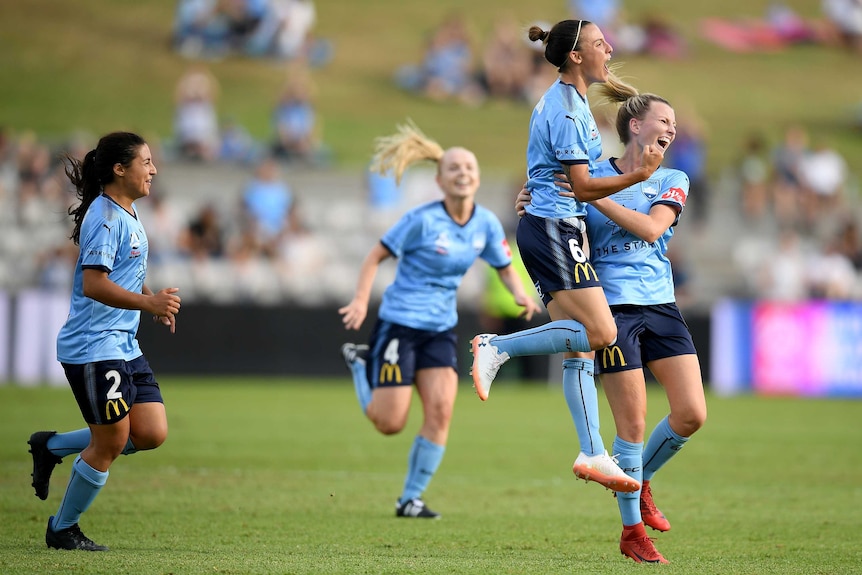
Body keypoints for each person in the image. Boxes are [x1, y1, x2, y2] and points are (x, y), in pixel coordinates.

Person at [470, 19, 663, 493]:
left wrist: (532, 190)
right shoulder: (566, 109)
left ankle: (592, 450)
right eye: (600, 43)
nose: (609, 47)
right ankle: (496, 347)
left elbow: (563, 173)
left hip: (553, 224)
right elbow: (581, 185)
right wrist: (638, 177)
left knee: (578, 345)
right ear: (576, 55)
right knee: (601, 332)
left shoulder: (572, 103)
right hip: (555, 229)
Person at [518, 91, 707, 563]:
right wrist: (534, 204)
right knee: (633, 427)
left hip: (662, 305)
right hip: (612, 310)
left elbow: (649, 229)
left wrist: (590, 198)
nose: (672, 129)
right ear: (635, 126)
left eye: (675, 124)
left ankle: (640, 480)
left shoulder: (671, 177)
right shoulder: (589, 174)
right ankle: (631, 532)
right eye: (664, 119)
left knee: (692, 414)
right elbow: (558, 221)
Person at [338, 121, 541, 519]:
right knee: (389, 423)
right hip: (399, 325)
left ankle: (409, 499)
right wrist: (361, 300)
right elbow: (375, 256)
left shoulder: (485, 223)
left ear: (478, 178)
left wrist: (520, 293)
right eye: (454, 168)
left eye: (469, 167)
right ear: (439, 179)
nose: (462, 173)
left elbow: (502, 265)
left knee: (441, 411)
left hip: (440, 331)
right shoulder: (421, 219)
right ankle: (362, 364)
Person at [26, 132, 181, 551]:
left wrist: (152, 300)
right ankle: (62, 528)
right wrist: (149, 303)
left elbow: (126, 268)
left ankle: (52, 446)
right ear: (119, 168)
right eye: (145, 162)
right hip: (94, 347)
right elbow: (94, 284)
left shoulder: (127, 213)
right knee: (111, 441)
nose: (153, 169)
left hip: (123, 344)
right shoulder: (105, 217)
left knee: (150, 432)